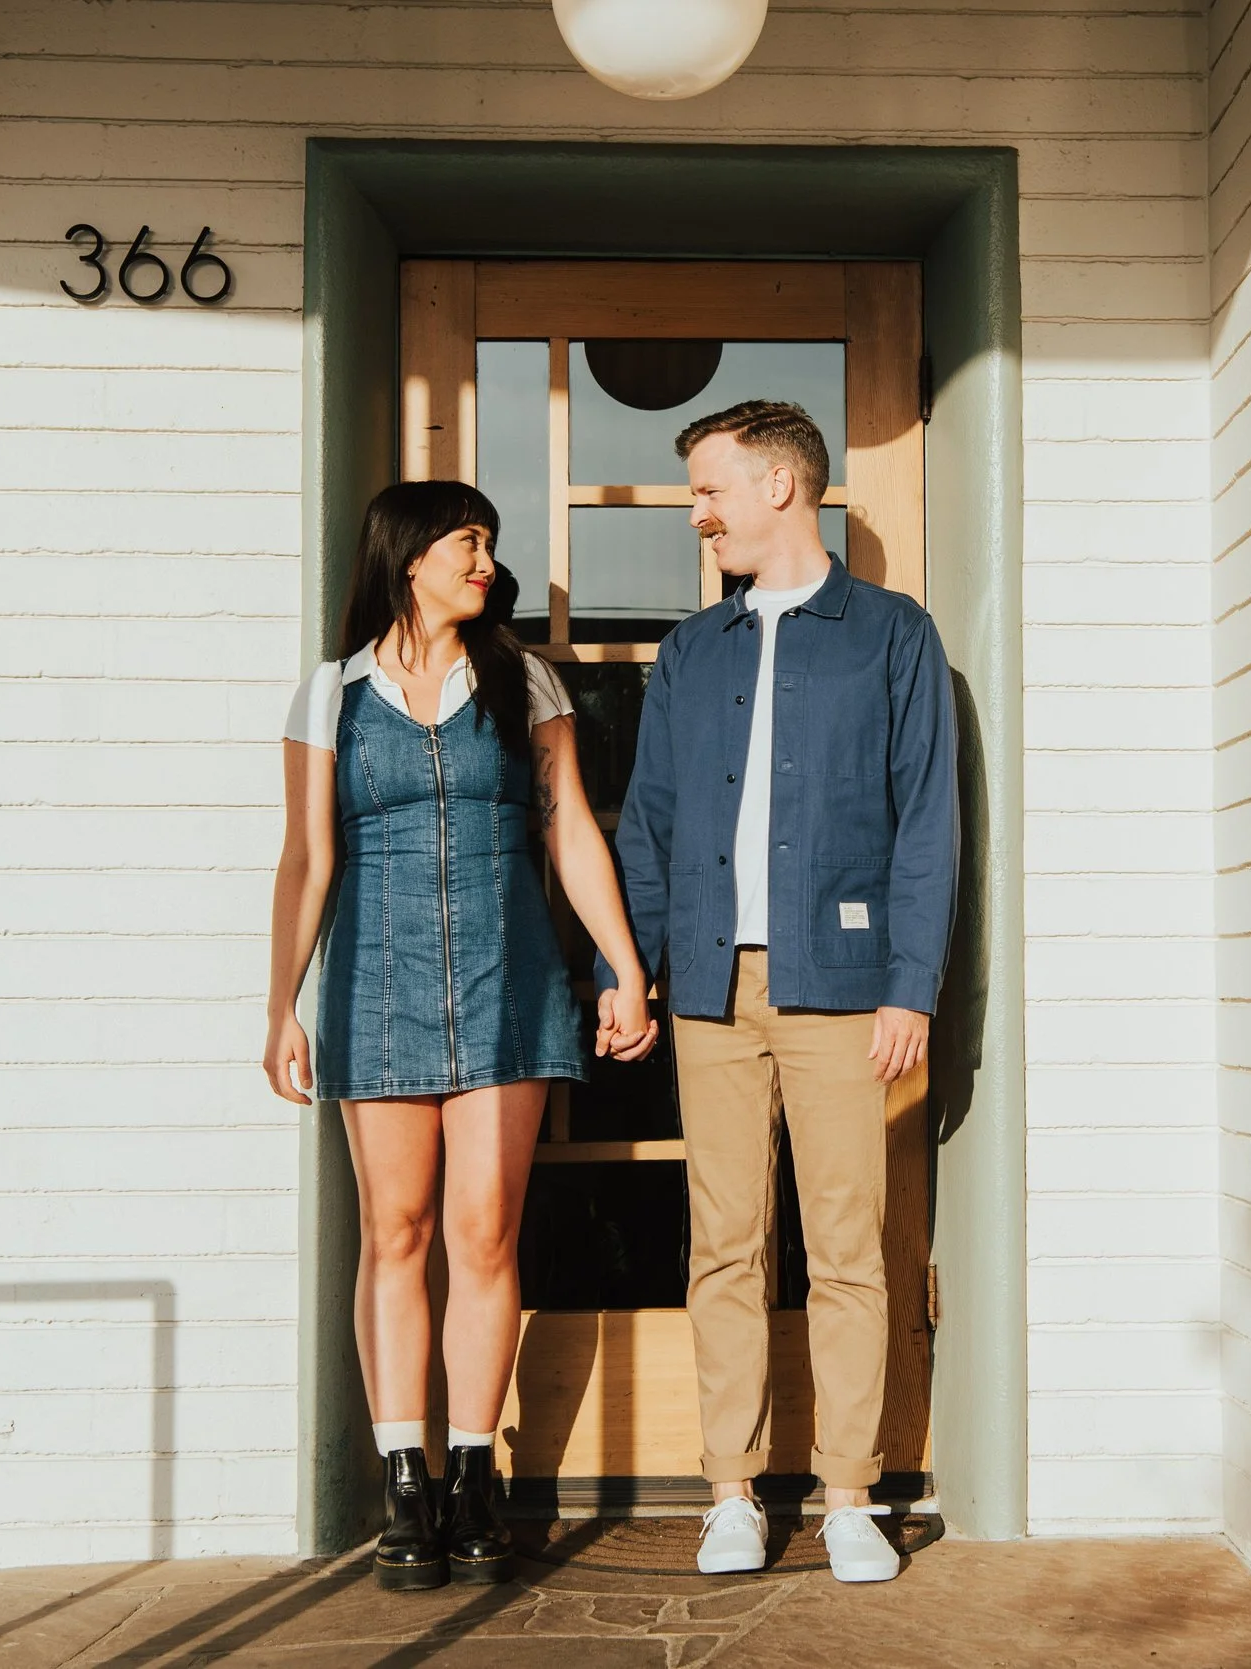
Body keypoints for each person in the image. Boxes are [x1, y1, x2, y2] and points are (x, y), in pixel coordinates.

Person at [265, 480, 660, 1590]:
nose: (487, 562)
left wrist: (623, 968)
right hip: (373, 983)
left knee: (483, 1234)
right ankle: (406, 1475)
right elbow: (308, 858)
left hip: (508, 975)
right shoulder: (331, 694)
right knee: (395, 1229)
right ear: (406, 557)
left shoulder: (519, 677)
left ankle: (474, 1469)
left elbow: (571, 828)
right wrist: (280, 1005)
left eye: (488, 542)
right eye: (468, 543)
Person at [599, 401, 958, 1583]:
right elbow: (645, 823)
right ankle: (732, 1492)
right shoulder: (692, 653)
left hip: (845, 991)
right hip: (707, 990)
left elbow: (926, 830)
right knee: (724, 1246)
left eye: (710, 490)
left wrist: (911, 985)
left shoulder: (891, 635)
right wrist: (632, 966)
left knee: (850, 1250)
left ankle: (851, 1494)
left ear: (781, 487)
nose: (697, 514)